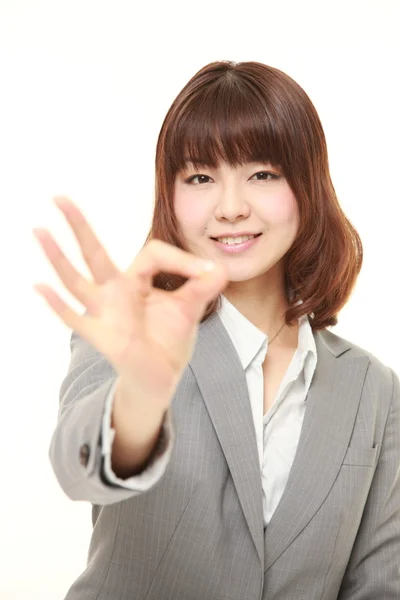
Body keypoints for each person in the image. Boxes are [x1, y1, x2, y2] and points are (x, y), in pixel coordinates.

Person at [33, 60, 400, 599]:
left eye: (263, 174)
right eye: (200, 177)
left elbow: (379, 584)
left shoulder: (374, 389)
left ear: (307, 186)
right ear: (171, 195)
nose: (230, 208)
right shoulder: (135, 332)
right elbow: (77, 469)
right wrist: (139, 397)